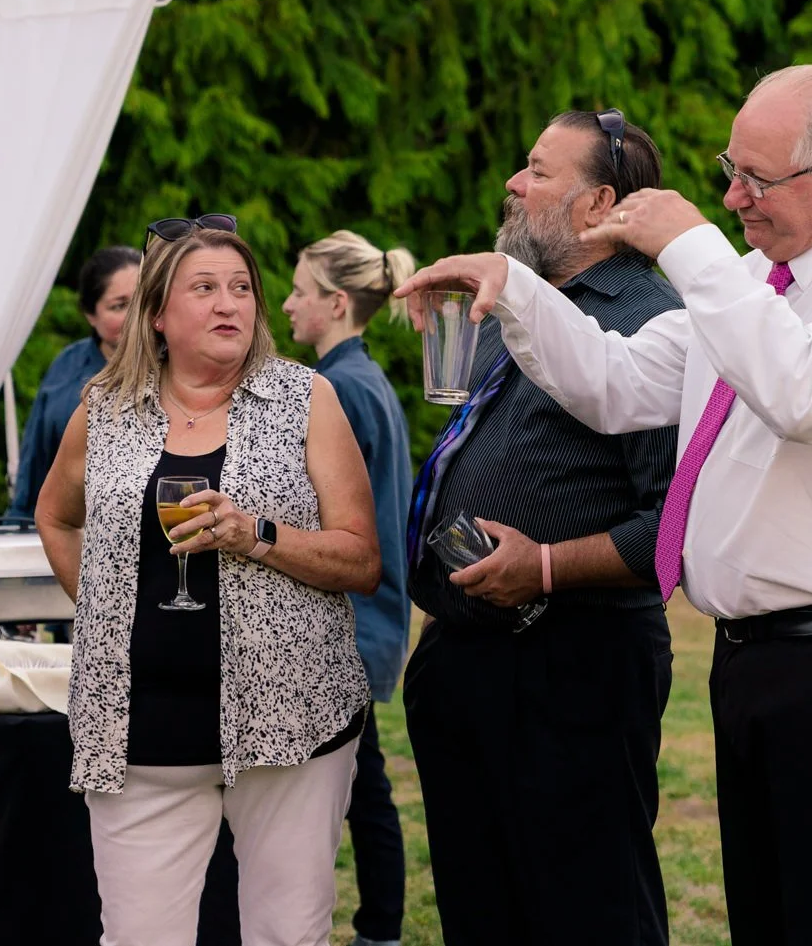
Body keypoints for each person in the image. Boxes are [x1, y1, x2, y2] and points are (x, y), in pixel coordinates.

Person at [397, 64, 812, 946]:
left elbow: (806, 391)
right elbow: (614, 381)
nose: (733, 194)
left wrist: (691, 245)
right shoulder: (752, 280)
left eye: (757, 177)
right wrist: (512, 287)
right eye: (728, 168)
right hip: (758, 659)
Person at [34, 217, 379, 946]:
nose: (231, 303)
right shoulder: (106, 409)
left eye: (242, 287)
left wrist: (255, 534)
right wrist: (104, 609)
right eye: (205, 288)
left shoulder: (305, 399)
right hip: (139, 736)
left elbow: (360, 558)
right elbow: (57, 519)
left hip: (292, 725)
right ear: (158, 314)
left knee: (288, 935)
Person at [399, 109, 682, 945]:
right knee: (482, 911)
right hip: (469, 659)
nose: (514, 186)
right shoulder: (518, 305)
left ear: (598, 205)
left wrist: (548, 565)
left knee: (588, 911)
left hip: (574, 667)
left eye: (537, 170)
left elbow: (673, 526)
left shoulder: (646, 322)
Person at [282, 230, 414, 946]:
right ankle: (378, 925)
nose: (286, 304)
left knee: (355, 787)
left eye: (300, 291)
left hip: (349, 621)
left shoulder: (338, 390)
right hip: (370, 618)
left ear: (336, 304)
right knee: (362, 781)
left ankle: (379, 929)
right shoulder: (361, 382)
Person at [7, 246, 141, 519]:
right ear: (90, 315)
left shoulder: (181, 363)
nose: (135, 316)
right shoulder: (67, 367)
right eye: (119, 305)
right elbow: (36, 461)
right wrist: (20, 522)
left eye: (142, 300)